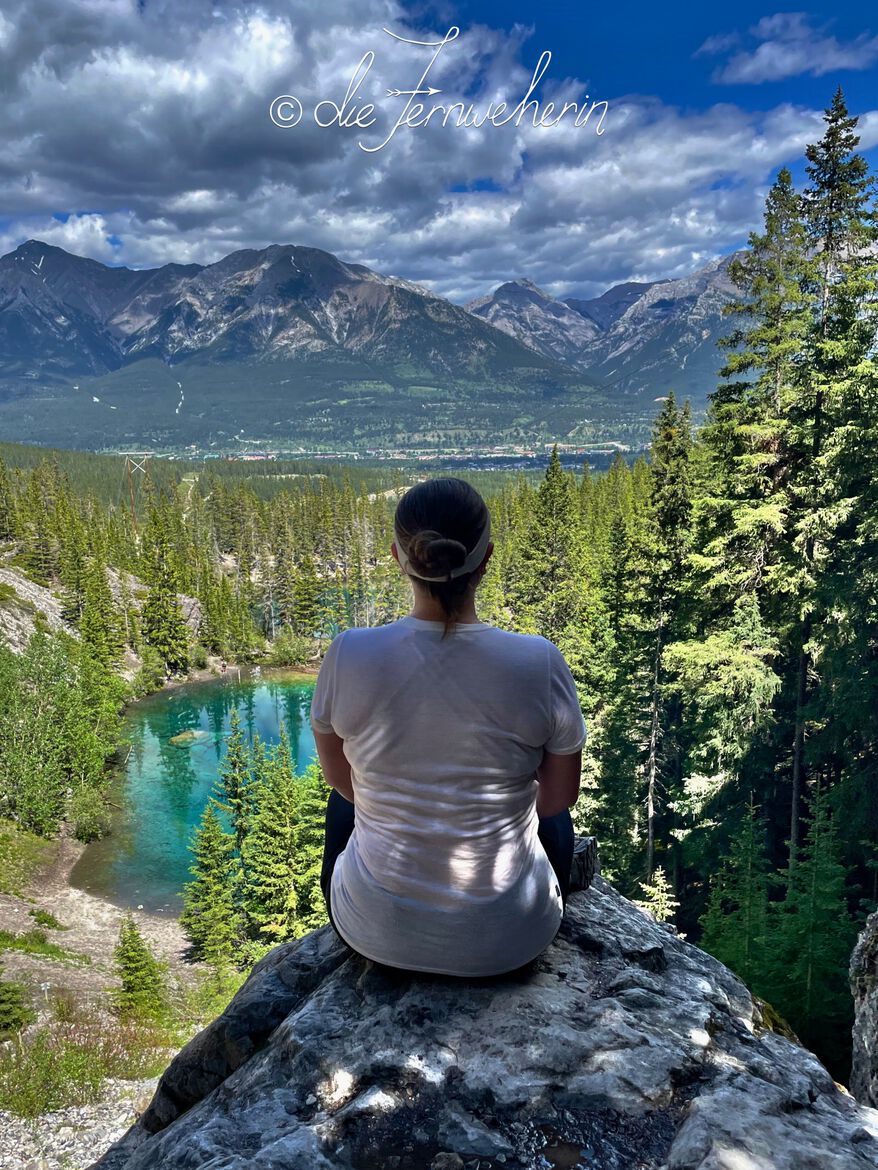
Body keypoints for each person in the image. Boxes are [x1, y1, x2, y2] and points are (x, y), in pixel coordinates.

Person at [310, 476, 587, 978]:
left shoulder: (349, 652)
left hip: (374, 931)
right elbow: (556, 799)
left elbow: (341, 780)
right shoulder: (538, 662)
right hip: (511, 940)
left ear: (399, 556)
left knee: (342, 803)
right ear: (486, 557)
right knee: (549, 815)